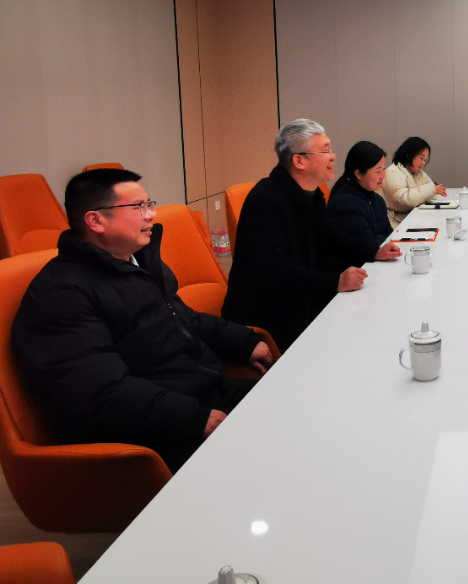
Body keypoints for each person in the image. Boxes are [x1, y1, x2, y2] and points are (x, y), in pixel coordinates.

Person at [12, 169, 273, 473]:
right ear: (96, 220)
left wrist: (243, 343)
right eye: (138, 207)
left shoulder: (134, 261)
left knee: (294, 404)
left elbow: (181, 317)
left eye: (149, 204)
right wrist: (193, 418)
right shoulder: (61, 294)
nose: (150, 215)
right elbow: (100, 393)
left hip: (199, 394)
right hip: (150, 434)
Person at [223, 120, 401, 352]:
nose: (333, 157)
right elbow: (275, 272)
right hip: (271, 321)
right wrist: (335, 282)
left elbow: (332, 238)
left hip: (303, 304)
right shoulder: (266, 199)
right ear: (299, 161)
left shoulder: (310, 195)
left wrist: (374, 252)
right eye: (325, 151)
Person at [326, 141, 394, 250]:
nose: (383, 175)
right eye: (378, 171)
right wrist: (382, 238)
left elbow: (390, 235)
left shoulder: (377, 200)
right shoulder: (346, 204)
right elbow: (368, 248)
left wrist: (380, 238)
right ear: (358, 174)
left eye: (384, 169)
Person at [381, 136, 447, 227]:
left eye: (425, 160)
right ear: (408, 154)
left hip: (411, 220)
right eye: (421, 158)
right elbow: (404, 201)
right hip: (396, 224)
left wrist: (432, 190)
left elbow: (432, 197)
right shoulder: (393, 172)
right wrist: (432, 190)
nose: (423, 163)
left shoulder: (416, 173)